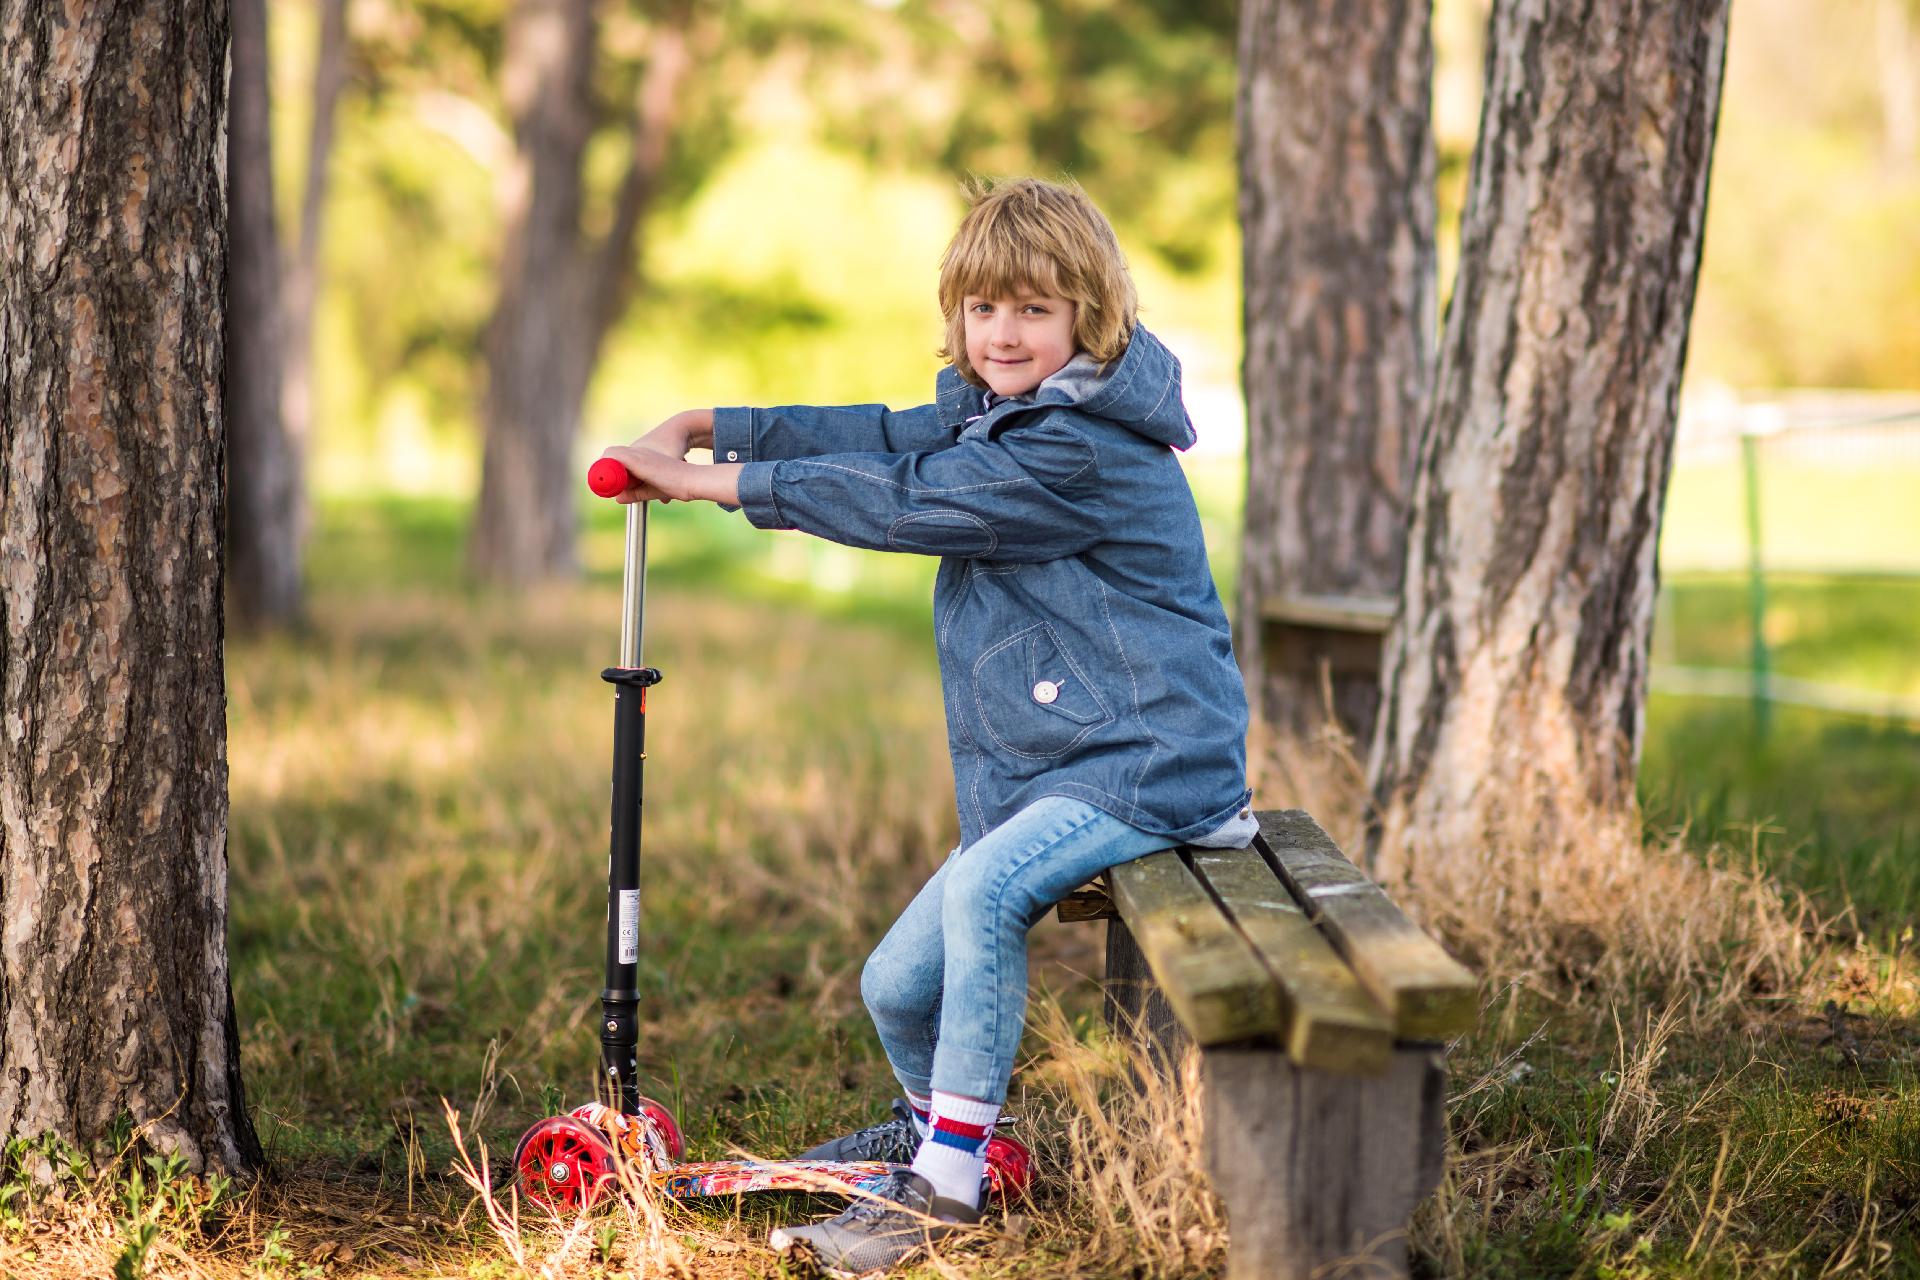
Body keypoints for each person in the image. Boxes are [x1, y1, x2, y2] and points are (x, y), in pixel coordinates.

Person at [597, 177, 1253, 1274]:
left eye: (1034, 310)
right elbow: (882, 434)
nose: (1004, 332)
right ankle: (939, 1131)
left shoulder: (1078, 445)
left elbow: (908, 502)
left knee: (988, 893)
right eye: (985, 308)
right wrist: (717, 424)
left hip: (1152, 760)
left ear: (1087, 316)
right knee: (893, 982)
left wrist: (716, 485)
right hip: (1065, 767)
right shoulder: (1008, 405)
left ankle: (942, 1187)